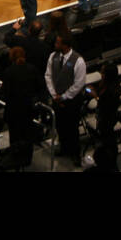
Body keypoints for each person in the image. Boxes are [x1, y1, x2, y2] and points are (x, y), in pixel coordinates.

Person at [44, 33, 86, 161]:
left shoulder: (79, 61)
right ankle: (64, 148)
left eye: (58, 43)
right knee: (60, 127)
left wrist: (64, 97)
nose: (55, 44)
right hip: (57, 99)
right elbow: (48, 76)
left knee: (72, 128)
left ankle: (75, 153)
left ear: (66, 45)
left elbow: (79, 84)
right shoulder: (53, 56)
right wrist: (54, 94)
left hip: (72, 101)